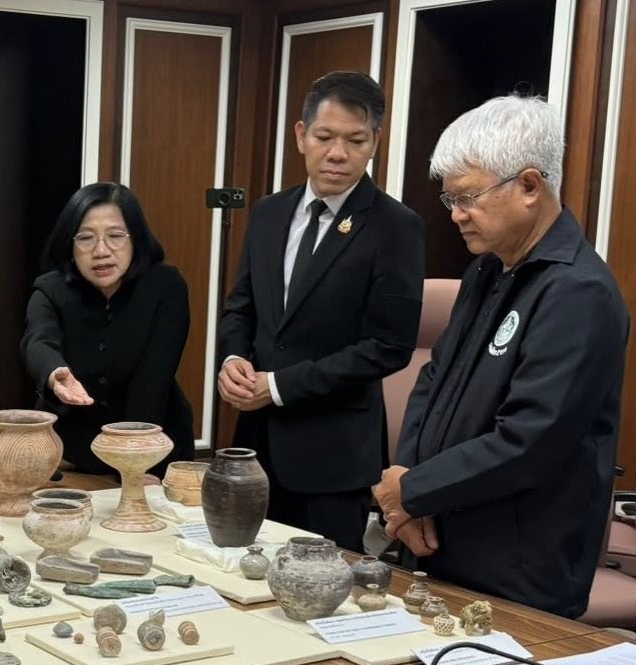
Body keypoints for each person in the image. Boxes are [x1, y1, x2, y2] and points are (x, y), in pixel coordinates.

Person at [373, 95, 628, 618]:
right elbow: (434, 380)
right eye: (450, 201)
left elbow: (530, 440)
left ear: (530, 186)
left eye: (467, 197)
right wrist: (408, 480)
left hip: (517, 564)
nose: (456, 216)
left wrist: (415, 490)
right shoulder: (488, 270)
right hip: (441, 535)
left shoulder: (579, 292)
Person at [217, 71, 425, 552]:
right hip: (255, 446)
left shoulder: (396, 227)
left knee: (324, 598)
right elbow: (241, 307)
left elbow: (387, 348)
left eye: (355, 140)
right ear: (300, 135)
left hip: (333, 456)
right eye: (324, 137)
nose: (337, 153)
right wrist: (233, 361)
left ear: (375, 141)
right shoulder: (270, 213)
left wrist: (279, 385)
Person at [21, 182, 196, 478]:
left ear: (136, 239)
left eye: (115, 236)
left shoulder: (165, 287)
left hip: (154, 446)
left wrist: (135, 471)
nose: (101, 251)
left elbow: (152, 380)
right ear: (70, 245)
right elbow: (37, 342)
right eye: (86, 238)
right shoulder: (50, 289)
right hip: (73, 449)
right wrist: (55, 373)